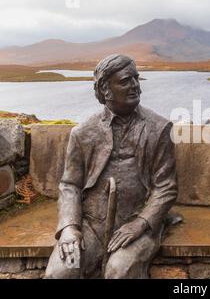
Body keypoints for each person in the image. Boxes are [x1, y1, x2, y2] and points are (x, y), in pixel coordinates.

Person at [45, 54, 178, 279]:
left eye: (136, 78)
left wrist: (141, 223)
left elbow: (166, 187)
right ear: (106, 90)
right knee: (61, 271)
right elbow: (70, 185)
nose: (135, 85)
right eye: (125, 81)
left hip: (137, 224)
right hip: (90, 225)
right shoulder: (82, 133)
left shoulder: (159, 128)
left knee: (119, 270)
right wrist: (69, 227)